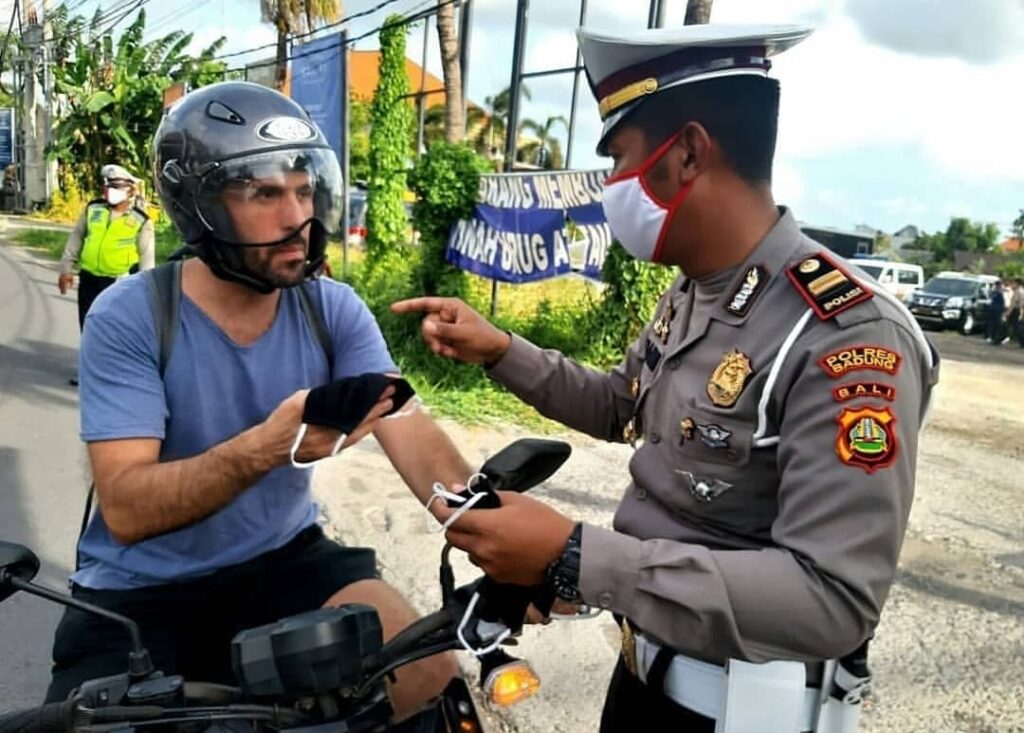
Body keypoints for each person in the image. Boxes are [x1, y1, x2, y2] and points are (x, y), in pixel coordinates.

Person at [392, 24, 939, 733]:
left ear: (685, 153)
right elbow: (623, 404)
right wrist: (499, 348)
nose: (611, 185)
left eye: (619, 159)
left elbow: (831, 596)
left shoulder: (845, 334)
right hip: (643, 680)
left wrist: (575, 554)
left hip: (742, 715)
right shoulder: (694, 290)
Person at [45, 81, 469, 725]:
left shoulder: (333, 309)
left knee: (429, 672)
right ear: (202, 206)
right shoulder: (131, 315)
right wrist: (267, 449)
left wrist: (494, 529)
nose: (296, 216)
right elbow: (126, 508)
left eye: (303, 191)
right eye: (265, 193)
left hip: (283, 559)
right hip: (140, 590)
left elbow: (405, 422)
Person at [59, 164, 155, 385]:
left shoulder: (141, 221)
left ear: (130, 191)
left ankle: (116, 374)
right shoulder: (93, 210)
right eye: (108, 186)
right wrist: (66, 268)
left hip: (120, 283)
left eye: (117, 186)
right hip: (90, 278)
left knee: (116, 329)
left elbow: (146, 258)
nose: (110, 191)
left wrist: (147, 293)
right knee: (89, 326)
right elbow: (76, 238)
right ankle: (89, 373)